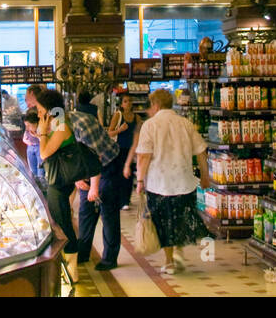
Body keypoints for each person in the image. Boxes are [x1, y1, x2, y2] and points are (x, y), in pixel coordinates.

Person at [135, 87, 213, 275]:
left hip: (159, 183)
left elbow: (144, 156)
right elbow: (201, 151)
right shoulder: (185, 123)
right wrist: (204, 175)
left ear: (155, 104)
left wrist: (139, 181)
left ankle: (169, 261)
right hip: (184, 181)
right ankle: (178, 250)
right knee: (179, 219)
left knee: (163, 222)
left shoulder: (150, 125)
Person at [70, 89, 124, 270]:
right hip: (90, 166)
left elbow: (96, 158)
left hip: (109, 164)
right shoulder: (61, 128)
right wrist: (78, 178)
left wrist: (94, 187)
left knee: (107, 210)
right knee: (86, 211)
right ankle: (83, 253)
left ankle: (109, 259)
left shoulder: (80, 126)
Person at [34, 88, 82, 271]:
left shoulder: (61, 125)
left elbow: (44, 152)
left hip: (62, 181)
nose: (38, 114)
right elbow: (40, 136)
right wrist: (42, 129)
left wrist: (43, 133)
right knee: (59, 220)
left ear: (49, 109)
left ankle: (72, 268)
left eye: (40, 110)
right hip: (56, 179)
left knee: (63, 224)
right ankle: (68, 265)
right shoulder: (56, 122)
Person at [108, 90, 141, 211]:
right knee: (119, 175)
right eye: (125, 101)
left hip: (131, 150)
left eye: (130, 101)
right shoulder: (118, 115)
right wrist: (120, 130)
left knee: (128, 175)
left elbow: (139, 134)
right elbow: (109, 133)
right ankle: (119, 199)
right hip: (118, 150)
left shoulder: (136, 118)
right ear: (121, 104)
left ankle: (126, 200)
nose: (128, 103)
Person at [21, 84, 47, 180]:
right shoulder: (31, 110)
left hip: (43, 147)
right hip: (34, 146)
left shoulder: (56, 111)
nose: (25, 99)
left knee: (41, 175)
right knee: (34, 173)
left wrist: (40, 136)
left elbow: (58, 132)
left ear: (31, 93)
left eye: (26, 96)